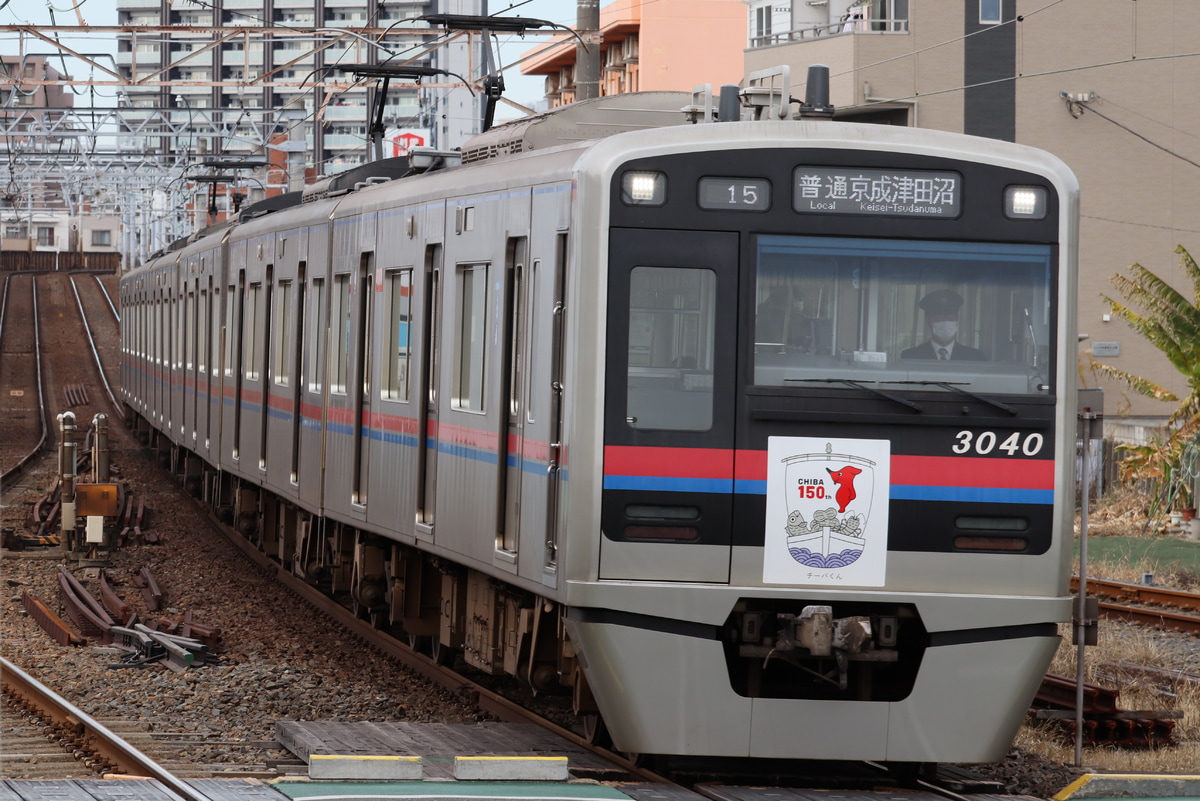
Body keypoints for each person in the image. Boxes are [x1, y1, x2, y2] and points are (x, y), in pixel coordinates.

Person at [901, 289, 987, 360]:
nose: (945, 322)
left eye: (950, 318)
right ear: (928, 320)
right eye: (939, 318)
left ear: (957, 320)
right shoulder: (911, 356)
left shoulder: (975, 357)